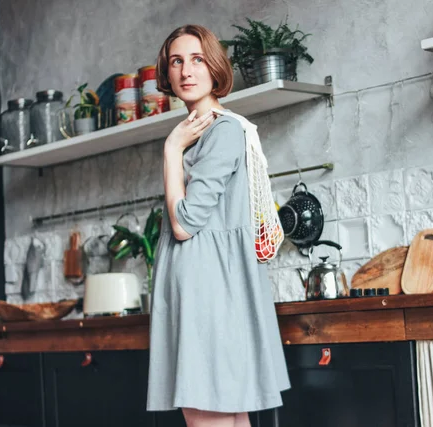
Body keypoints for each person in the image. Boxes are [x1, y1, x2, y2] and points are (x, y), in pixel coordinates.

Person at [146, 24, 290, 427]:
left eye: (196, 59)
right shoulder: (201, 130)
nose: (186, 70)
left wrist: (171, 150)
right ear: (168, 72)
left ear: (214, 67)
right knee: (226, 415)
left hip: (208, 290)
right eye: (177, 61)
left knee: (206, 415)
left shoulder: (222, 130)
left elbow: (184, 225)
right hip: (207, 287)